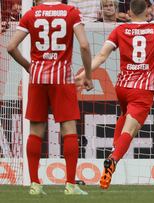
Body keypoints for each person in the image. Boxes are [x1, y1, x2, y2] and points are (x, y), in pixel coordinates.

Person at [75, 0, 154, 189]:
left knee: (124, 116)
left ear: (128, 11)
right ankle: (113, 160)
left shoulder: (120, 30)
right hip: (143, 89)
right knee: (130, 130)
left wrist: (82, 75)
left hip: (122, 86)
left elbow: (102, 56)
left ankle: (114, 148)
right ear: (148, 11)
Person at [7, 0, 93, 195]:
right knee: (68, 129)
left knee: (36, 129)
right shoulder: (71, 12)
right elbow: (85, 46)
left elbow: (11, 46)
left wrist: (30, 67)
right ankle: (70, 185)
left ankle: (35, 184)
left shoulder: (31, 14)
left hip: (37, 78)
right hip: (62, 78)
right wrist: (88, 74)